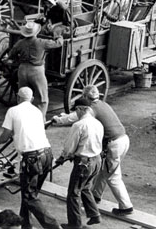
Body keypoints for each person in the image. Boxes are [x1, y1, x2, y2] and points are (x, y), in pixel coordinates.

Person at [52, 85, 133, 215]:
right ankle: (95, 196)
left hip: (114, 143)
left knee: (113, 176)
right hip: (123, 139)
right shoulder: (103, 104)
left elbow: (74, 117)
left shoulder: (91, 108)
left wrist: (58, 119)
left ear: (85, 97)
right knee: (104, 170)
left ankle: (126, 206)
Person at [0, 87, 61, 229]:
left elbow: (5, 136)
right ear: (31, 99)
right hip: (47, 154)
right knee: (29, 193)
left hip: (32, 158)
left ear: (18, 98)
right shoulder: (37, 111)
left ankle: (54, 227)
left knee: (30, 197)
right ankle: (25, 224)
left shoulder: (13, 111)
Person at [56, 98, 103, 229]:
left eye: (76, 111)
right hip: (97, 160)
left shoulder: (79, 125)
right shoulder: (98, 123)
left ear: (79, 109)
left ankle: (74, 224)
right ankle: (94, 214)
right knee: (86, 187)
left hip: (84, 163)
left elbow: (70, 147)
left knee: (73, 193)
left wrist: (62, 157)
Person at [8, 21, 63, 120]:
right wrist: (58, 36)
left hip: (22, 70)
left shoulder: (20, 43)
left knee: (23, 96)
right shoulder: (41, 42)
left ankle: (22, 119)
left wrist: (17, 59)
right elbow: (58, 43)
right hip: (37, 71)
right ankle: (40, 121)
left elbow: (11, 54)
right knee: (42, 98)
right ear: (36, 32)